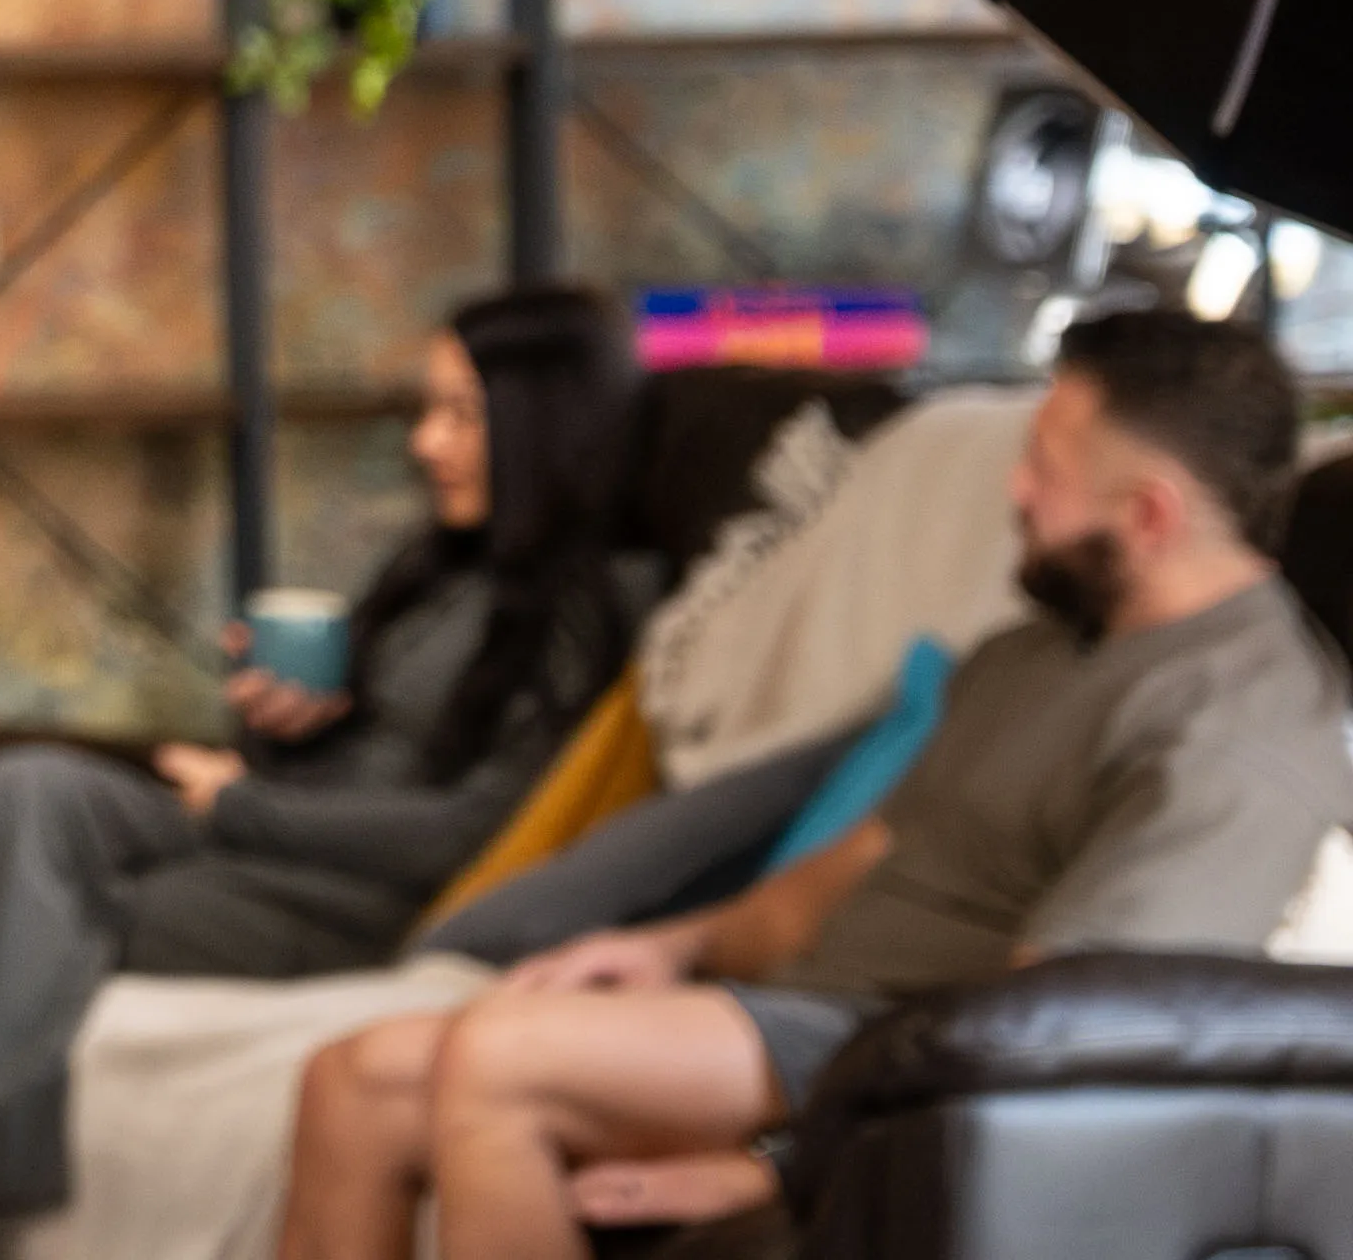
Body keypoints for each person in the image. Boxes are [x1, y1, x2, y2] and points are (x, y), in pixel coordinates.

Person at [279, 305, 1353, 1260]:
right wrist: (674, 946)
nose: (1013, 492)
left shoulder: (1229, 730)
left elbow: (1063, 1046)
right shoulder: (1034, 651)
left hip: (897, 1059)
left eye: (1044, 467)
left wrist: (792, 1163)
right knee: (353, 1083)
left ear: (1151, 515)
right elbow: (871, 851)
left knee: (502, 1058)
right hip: (815, 1025)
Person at [0, 286, 644, 1223]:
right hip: (277, 837)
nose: (425, 443)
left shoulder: (591, 608)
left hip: (354, 895)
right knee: (24, 789)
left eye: (461, 415)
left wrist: (241, 806)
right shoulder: (445, 567)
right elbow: (376, 753)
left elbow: (467, 832)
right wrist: (298, 725)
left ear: (544, 422)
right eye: (428, 411)